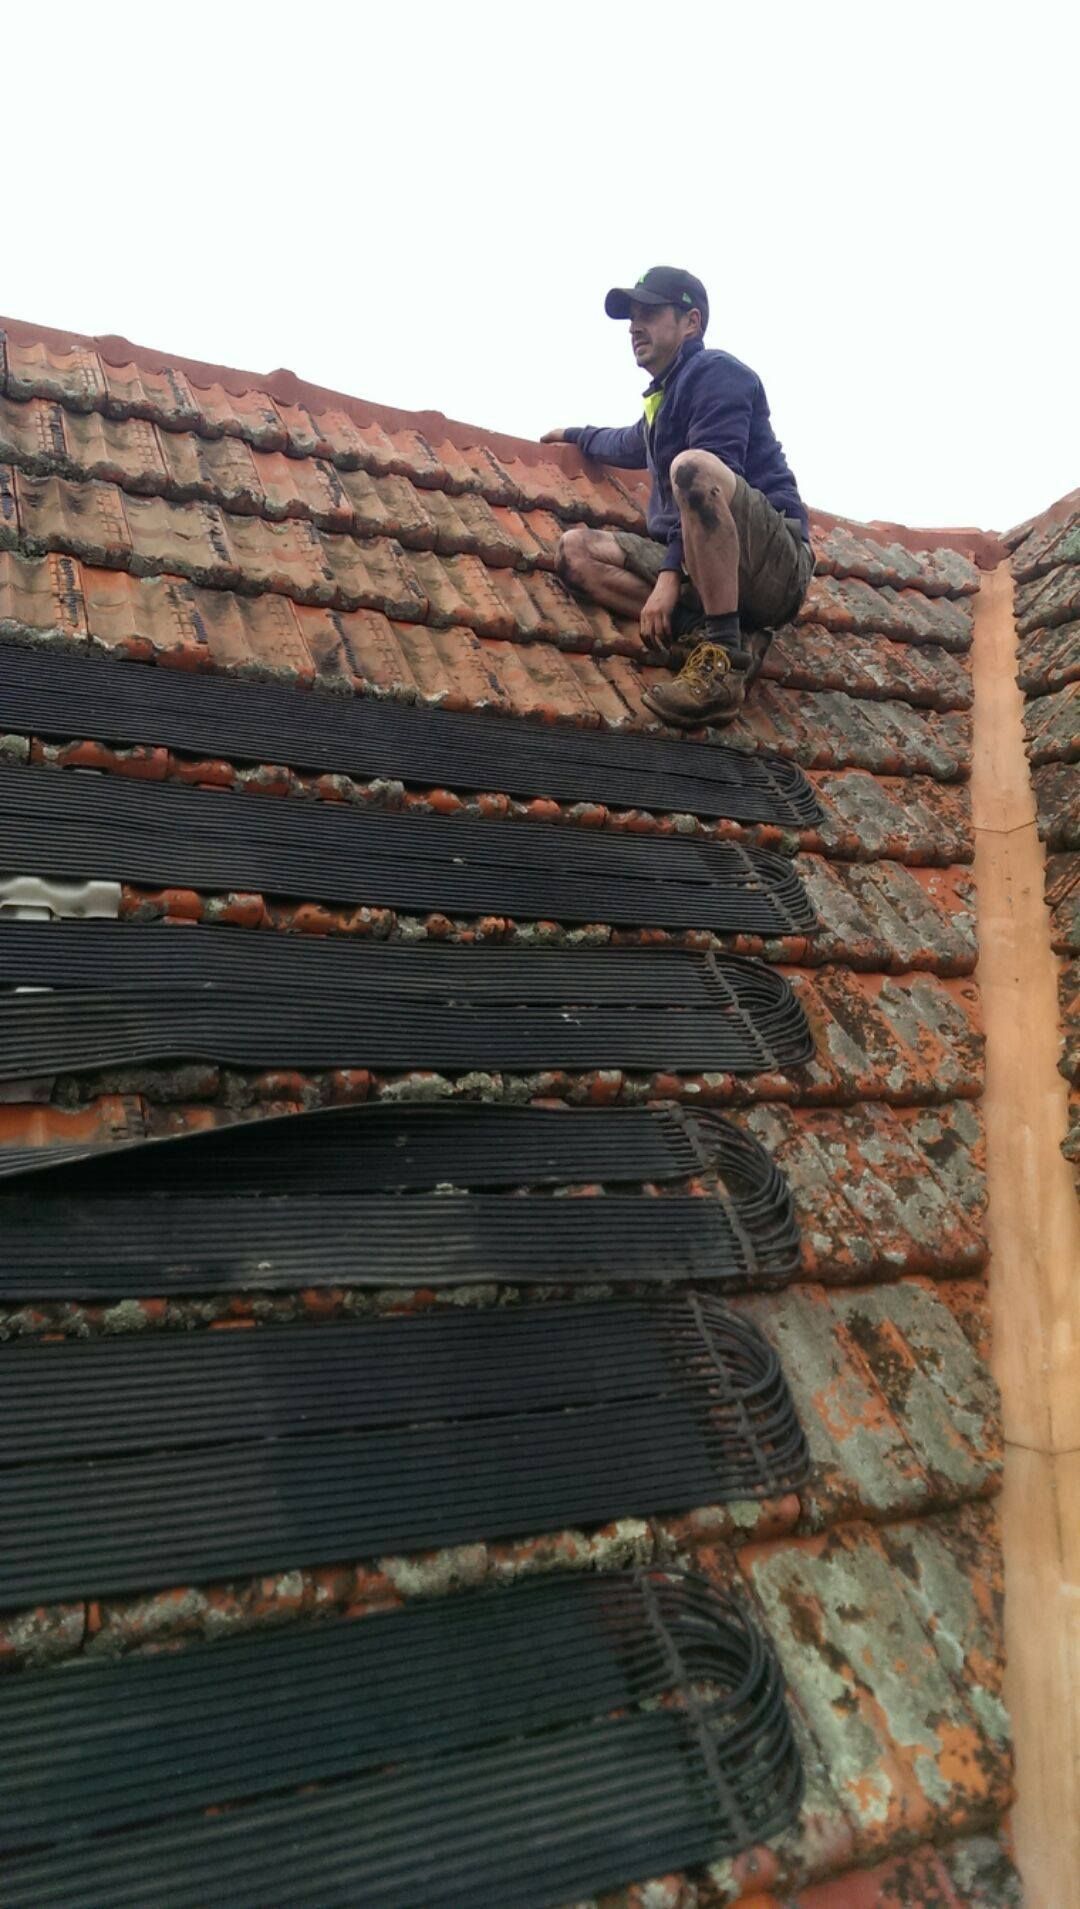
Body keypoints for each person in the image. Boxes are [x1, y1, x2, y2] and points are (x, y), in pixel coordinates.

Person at [542, 266, 813, 728]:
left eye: (648, 312)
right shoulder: (664, 401)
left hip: (774, 564)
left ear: (691, 322)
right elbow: (630, 442)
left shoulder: (719, 373)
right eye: (632, 316)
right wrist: (575, 434)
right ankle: (708, 631)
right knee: (575, 553)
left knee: (692, 467)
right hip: (707, 565)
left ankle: (723, 664)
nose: (634, 326)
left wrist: (669, 575)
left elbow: (710, 474)